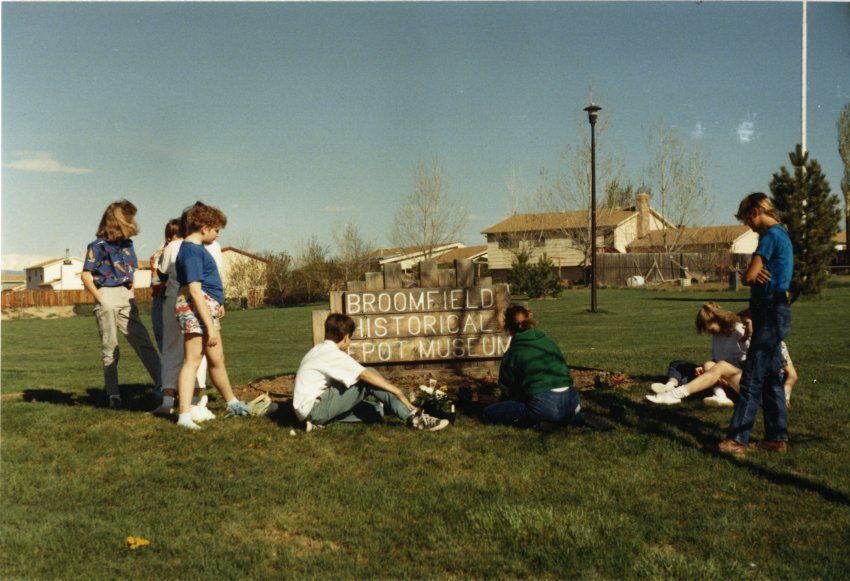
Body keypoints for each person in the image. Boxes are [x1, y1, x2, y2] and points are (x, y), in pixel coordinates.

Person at [719, 193, 794, 456]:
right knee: (772, 377)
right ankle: (776, 438)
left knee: (751, 377)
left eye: (747, 220)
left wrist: (749, 273)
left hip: (770, 311)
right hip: (775, 310)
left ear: (755, 212)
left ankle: (737, 440)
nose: (748, 226)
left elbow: (749, 276)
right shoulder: (782, 234)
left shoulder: (770, 236)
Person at [292, 313, 449, 431]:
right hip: (315, 410)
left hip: (306, 414)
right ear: (346, 337)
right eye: (350, 338)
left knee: (375, 411)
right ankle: (414, 419)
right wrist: (398, 392)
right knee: (368, 374)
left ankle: (317, 425)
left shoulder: (317, 350)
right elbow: (365, 375)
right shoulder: (332, 354)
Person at [173, 202, 250, 430]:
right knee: (192, 361)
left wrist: (217, 304)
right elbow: (195, 291)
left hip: (206, 306)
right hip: (197, 308)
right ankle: (184, 416)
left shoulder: (196, 249)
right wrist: (210, 325)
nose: (218, 234)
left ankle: (232, 403)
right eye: (216, 230)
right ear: (204, 227)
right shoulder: (192, 251)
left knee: (217, 359)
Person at [81, 200, 161, 408]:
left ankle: (164, 387)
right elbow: (86, 276)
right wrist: (102, 300)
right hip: (106, 295)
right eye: (129, 218)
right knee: (111, 348)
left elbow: (131, 273)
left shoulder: (128, 245)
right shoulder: (97, 246)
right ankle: (113, 395)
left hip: (126, 296)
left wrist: (131, 296)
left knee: (144, 343)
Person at [151, 212, 221, 419]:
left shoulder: (172, 246)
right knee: (198, 352)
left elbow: (163, 269)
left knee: (171, 349)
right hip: (201, 299)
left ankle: (168, 399)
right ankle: (195, 400)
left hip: (175, 298)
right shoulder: (211, 247)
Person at [481, 304, 582, 429]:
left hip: (544, 404)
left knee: (489, 413)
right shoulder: (550, 343)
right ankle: (572, 418)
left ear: (509, 329)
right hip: (572, 400)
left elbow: (508, 390)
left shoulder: (513, 353)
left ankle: (542, 421)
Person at [647, 303, 748, 407]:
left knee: (706, 369)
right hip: (725, 375)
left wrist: (719, 372)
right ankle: (719, 395)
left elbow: (751, 361)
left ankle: (673, 393)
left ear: (717, 319)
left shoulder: (740, 329)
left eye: (710, 327)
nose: (709, 331)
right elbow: (718, 360)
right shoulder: (717, 335)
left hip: (739, 378)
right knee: (681, 364)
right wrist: (707, 369)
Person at [149, 219, 181, 354]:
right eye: (178, 236)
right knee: (161, 335)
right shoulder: (161, 253)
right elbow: (156, 282)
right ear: (168, 238)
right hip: (161, 299)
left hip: (175, 297)